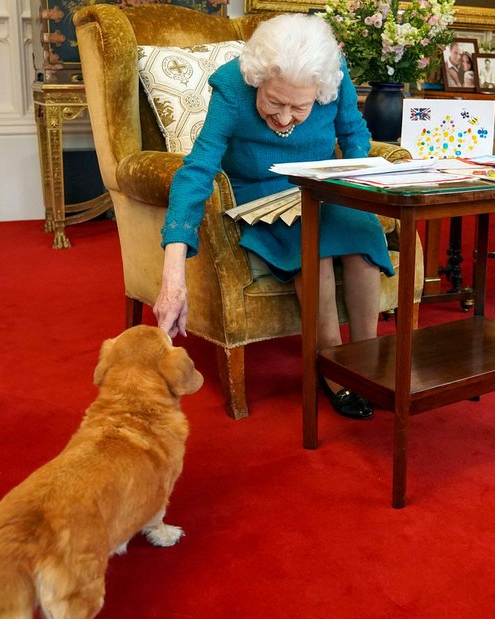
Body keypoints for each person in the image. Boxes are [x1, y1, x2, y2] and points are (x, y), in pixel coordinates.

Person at [155, 13, 391, 421]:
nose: (284, 119)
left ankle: (365, 361)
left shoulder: (334, 74)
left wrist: (361, 190)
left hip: (323, 184)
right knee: (312, 250)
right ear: (258, 78)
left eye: (299, 107)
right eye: (273, 102)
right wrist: (173, 267)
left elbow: (353, 137)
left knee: (363, 244)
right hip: (260, 191)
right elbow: (198, 168)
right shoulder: (232, 84)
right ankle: (333, 367)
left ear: (320, 89)